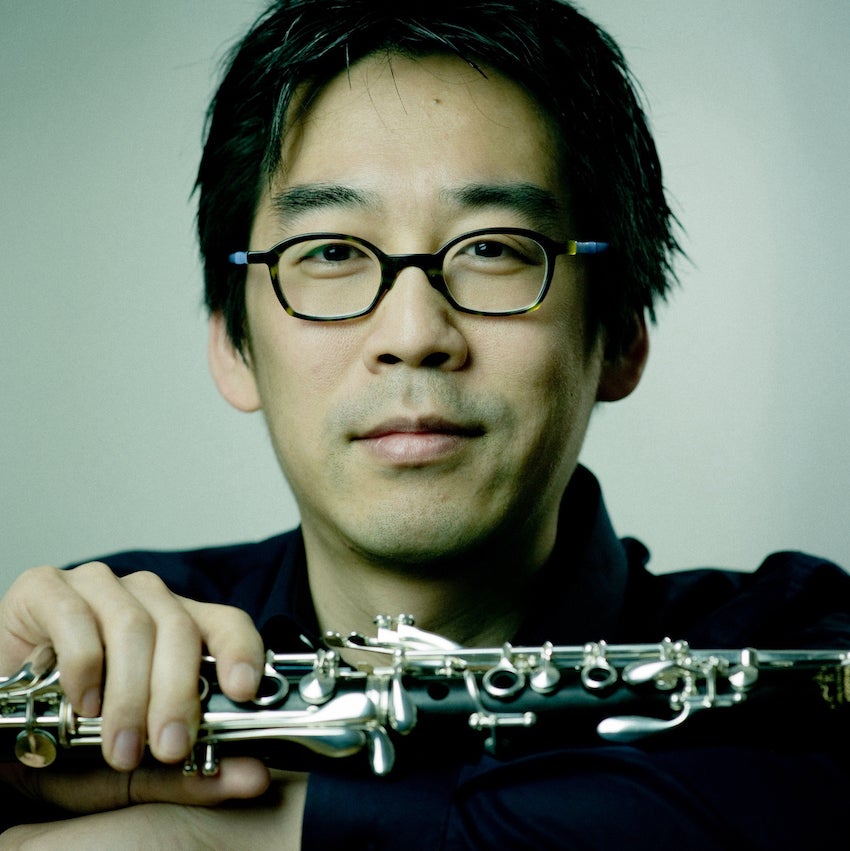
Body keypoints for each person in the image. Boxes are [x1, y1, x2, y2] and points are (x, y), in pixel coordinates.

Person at [1, 0, 849, 847]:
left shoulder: (801, 640)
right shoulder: (106, 651)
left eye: (494, 248)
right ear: (233, 345)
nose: (413, 334)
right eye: (331, 252)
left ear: (621, 333)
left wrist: (249, 836)